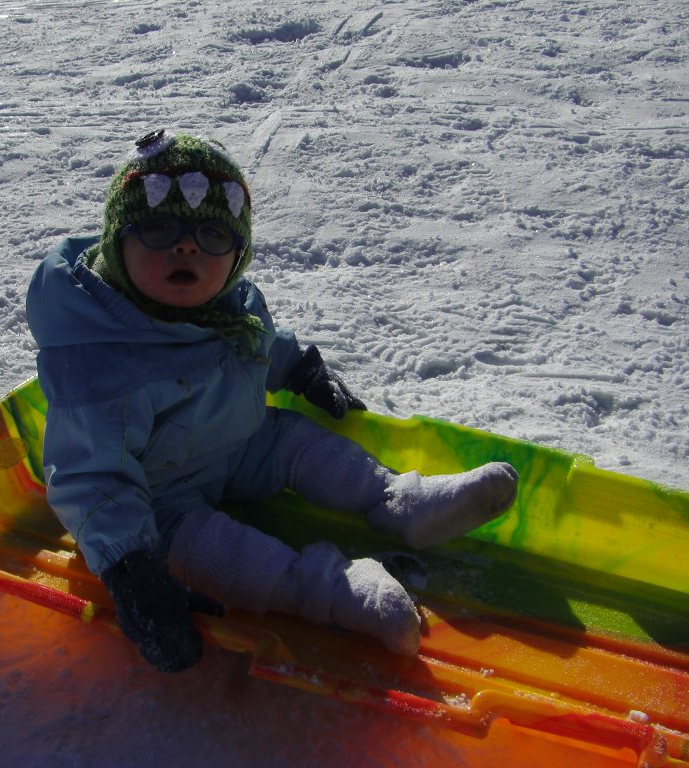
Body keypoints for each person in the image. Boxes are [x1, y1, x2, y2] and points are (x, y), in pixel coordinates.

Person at [25, 131, 518, 673]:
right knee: (223, 554)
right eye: (160, 229)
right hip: (159, 503)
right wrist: (130, 570)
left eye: (211, 233)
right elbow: (88, 478)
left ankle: (402, 501)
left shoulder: (230, 306)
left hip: (236, 441)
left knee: (297, 443)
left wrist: (299, 368)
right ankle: (336, 592)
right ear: (119, 244)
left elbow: (258, 342)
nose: (186, 246)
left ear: (237, 257)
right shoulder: (97, 360)